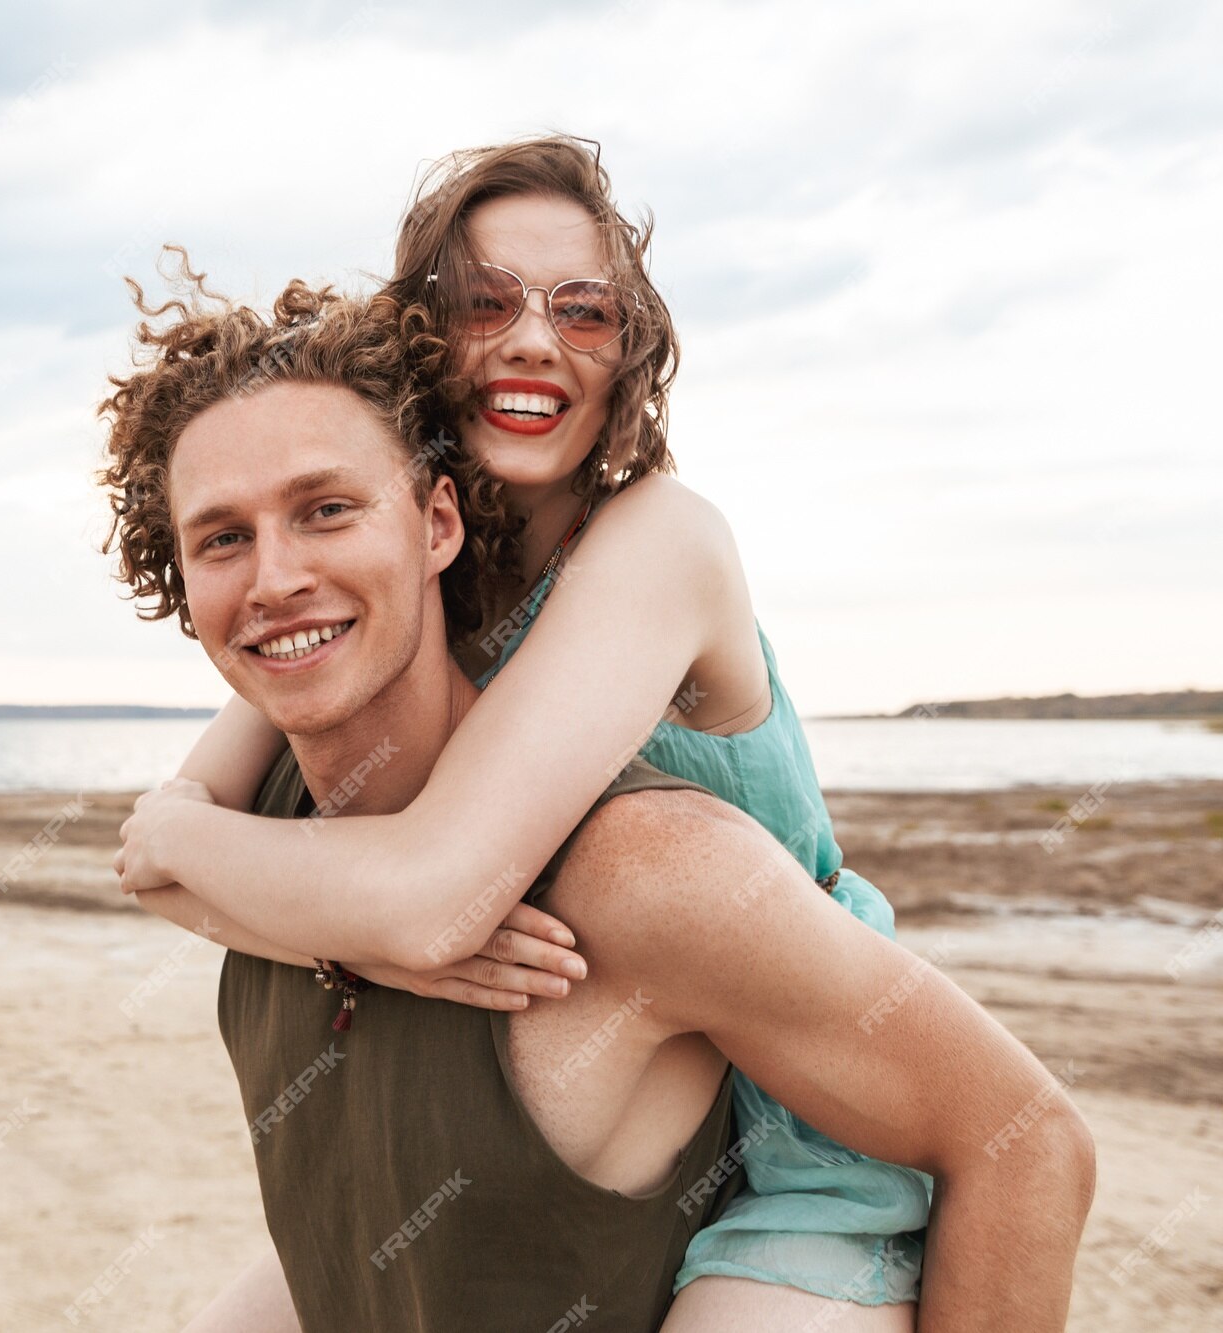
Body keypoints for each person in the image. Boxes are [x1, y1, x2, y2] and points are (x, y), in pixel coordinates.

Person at [107, 135, 1005, 1326]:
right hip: (647, 1064)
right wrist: (348, 935)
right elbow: (164, 853)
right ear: (422, 339)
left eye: (582, 312)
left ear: (626, 352)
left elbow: (404, 889)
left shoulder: (657, 539)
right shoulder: (421, 582)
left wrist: (366, 911)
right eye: (486, 304)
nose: (535, 340)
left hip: (812, 1108)